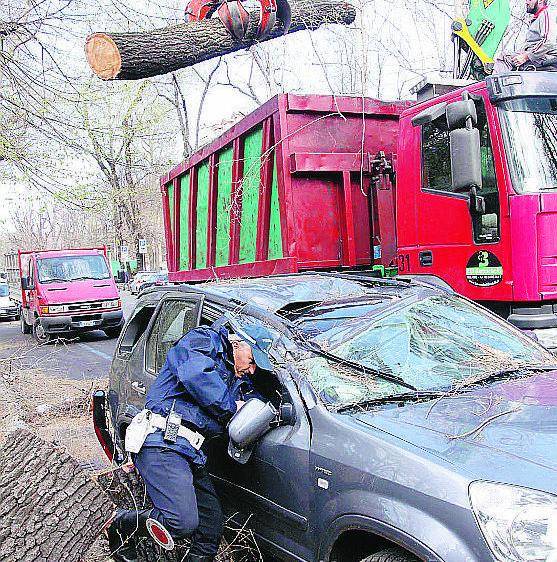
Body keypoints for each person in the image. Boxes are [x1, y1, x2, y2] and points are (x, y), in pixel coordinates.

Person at [107, 319, 273, 562]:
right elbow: (196, 374)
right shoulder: (203, 341)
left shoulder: (236, 379)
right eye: (253, 361)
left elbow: (254, 405)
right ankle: (120, 522)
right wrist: (232, 408)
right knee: (181, 522)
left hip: (189, 452)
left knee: (210, 528)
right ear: (240, 344)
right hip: (162, 442)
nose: (252, 370)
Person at [495, 0, 557, 72]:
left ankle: (493, 82)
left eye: (529, 0)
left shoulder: (547, 14)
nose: (526, 2)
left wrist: (526, 56)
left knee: (504, 58)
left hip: (546, 58)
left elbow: (549, 41)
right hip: (537, 58)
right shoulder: (537, 19)